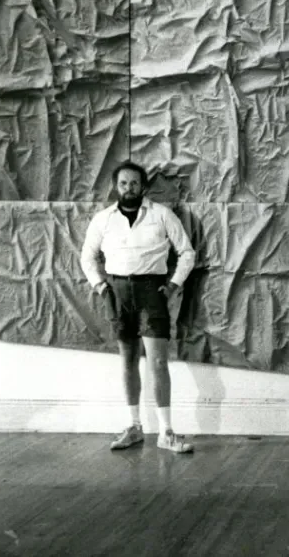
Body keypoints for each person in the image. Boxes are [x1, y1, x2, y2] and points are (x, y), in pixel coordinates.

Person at [80, 161, 196, 454]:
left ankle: (166, 432)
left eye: (134, 183)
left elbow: (187, 253)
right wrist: (101, 286)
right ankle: (134, 426)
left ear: (143, 186)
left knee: (158, 362)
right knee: (128, 360)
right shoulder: (103, 219)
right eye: (123, 183)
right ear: (115, 186)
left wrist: (172, 285)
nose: (128, 189)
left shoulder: (161, 215)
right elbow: (87, 257)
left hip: (150, 291)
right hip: (117, 292)